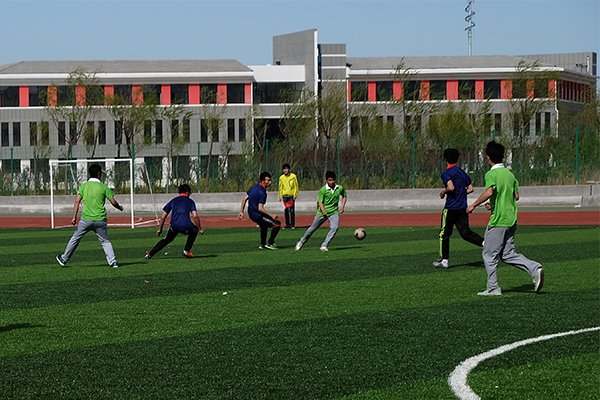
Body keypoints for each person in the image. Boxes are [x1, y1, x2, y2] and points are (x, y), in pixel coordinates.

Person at [466, 141, 544, 296]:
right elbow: (516, 196)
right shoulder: (510, 174)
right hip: (511, 219)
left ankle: (493, 288)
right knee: (507, 254)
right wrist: (493, 203)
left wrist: (473, 205)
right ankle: (535, 269)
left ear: (488, 157)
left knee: (489, 254)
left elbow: (490, 192)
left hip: (499, 220)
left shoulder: (491, 174)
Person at [56, 163, 124, 268]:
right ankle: (113, 262)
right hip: (100, 219)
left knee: (75, 238)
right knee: (105, 241)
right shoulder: (103, 187)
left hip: (86, 220)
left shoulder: (83, 186)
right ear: (99, 174)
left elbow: (77, 202)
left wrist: (74, 217)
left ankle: (64, 259)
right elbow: (113, 202)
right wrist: (119, 207)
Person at [433, 148, 484, 269]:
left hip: (451, 207)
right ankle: (484, 243)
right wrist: (461, 193)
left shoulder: (446, 173)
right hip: (462, 207)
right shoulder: (462, 172)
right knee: (465, 232)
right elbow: (471, 189)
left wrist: (443, 192)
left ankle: (444, 260)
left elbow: (451, 187)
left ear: (445, 159)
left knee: (444, 234)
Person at [145, 184, 204, 259]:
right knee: (194, 230)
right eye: (190, 193)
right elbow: (195, 216)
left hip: (174, 226)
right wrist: (200, 228)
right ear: (187, 192)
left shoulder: (173, 201)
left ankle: (150, 254)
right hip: (186, 226)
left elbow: (163, 217)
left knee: (166, 240)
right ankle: (186, 250)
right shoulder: (190, 201)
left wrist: (160, 229)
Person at [295, 171, 347, 252]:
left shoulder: (339, 188)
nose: (331, 182)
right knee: (312, 229)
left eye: (333, 180)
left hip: (333, 212)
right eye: (329, 180)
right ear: (326, 180)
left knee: (335, 228)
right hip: (322, 213)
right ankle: (301, 241)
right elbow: (320, 201)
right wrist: (323, 210)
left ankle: (324, 245)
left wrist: (342, 206)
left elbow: (344, 196)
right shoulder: (323, 190)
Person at [238, 172, 281, 249]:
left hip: (251, 214)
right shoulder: (262, 192)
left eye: (270, 180)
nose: (270, 182)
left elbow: (244, 199)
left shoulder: (254, 187)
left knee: (264, 225)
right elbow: (260, 208)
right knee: (277, 224)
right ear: (263, 181)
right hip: (257, 215)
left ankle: (263, 244)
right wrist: (271, 215)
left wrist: (241, 212)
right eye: (268, 180)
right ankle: (270, 243)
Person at [278, 163, 299, 229]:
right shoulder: (281, 178)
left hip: (291, 196)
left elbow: (296, 186)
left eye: (286, 169)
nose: (285, 170)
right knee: (286, 210)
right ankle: (287, 224)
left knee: (292, 211)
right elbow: (280, 187)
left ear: (289, 169)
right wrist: (280, 196)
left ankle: (292, 224)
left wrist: (295, 194)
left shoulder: (293, 176)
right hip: (284, 196)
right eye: (284, 169)